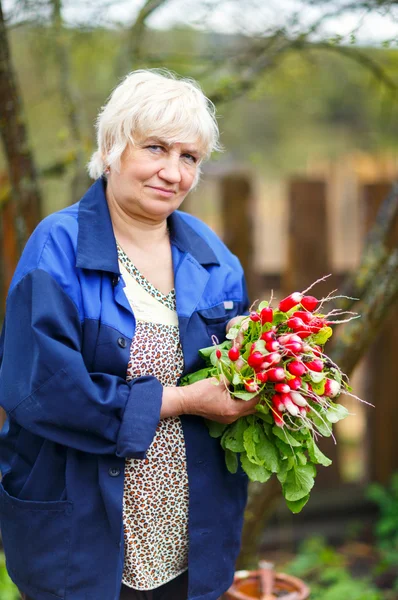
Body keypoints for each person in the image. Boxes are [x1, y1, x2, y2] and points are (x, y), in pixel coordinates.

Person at [0, 69, 258, 600]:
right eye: (156, 148)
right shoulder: (58, 247)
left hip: (188, 531)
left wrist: (255, 362)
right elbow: (45, 392)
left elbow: (229, 371)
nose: (172, 172)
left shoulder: (213, 259)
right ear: (113, 147)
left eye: (189, 158)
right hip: (83, 532)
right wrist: (185, 399)